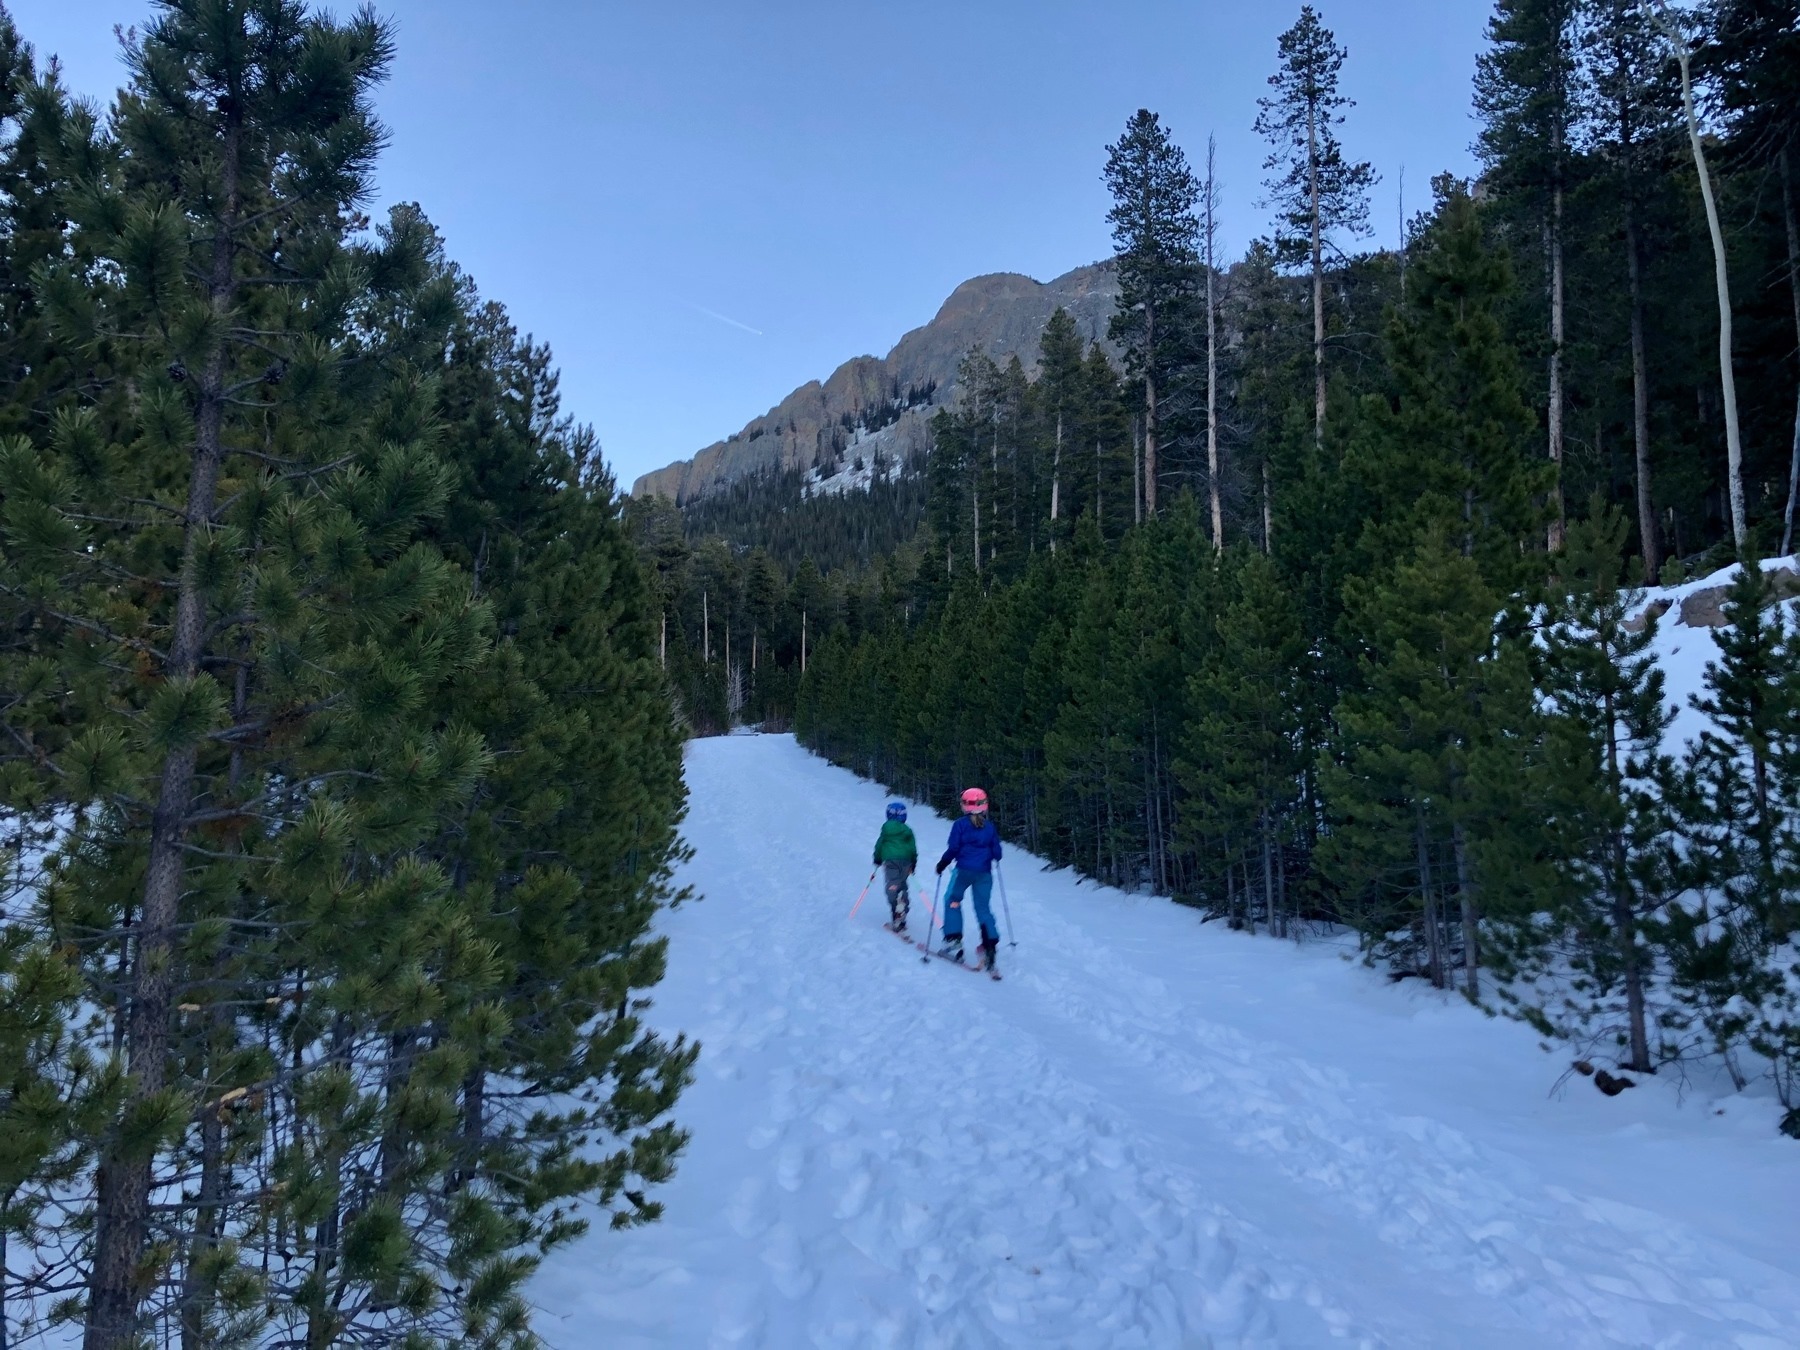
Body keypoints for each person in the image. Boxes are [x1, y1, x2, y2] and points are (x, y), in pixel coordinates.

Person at [934, 787, 1003, 970]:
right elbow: (998, 853)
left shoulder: (960, 825)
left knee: (953, 901)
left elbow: (954, 848)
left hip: (963, 872)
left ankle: (953, 942)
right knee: (983, 908)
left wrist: (943, 863)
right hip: (984, 874)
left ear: (965, 805)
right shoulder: (990, 827)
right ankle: (990, 945)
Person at [872, 801, 918, 932]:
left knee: (892, 884)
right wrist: (913, 862)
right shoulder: (908, 830)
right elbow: (912, 847)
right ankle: (902, 911)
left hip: (890, 861)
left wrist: (877, 858)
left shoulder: (886, 829)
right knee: (902, 884)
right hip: (906, 861)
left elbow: (879, 845)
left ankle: (896, 912)